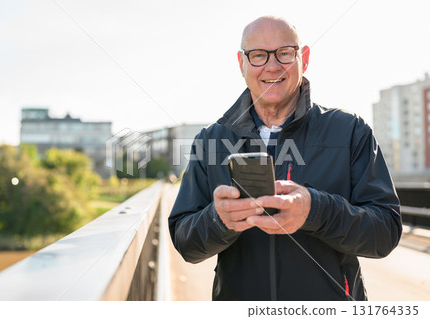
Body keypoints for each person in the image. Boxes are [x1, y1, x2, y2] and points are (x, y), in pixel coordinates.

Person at [168, 16, 402, 301]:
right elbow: (185, 244)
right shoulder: (211, 140)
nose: (272, 65)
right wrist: (218, 220)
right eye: (258, 55)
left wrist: (316, 210)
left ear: (303, 58)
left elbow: (385, 233)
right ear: (241, 63)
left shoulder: (350, 131)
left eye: (285, 53)